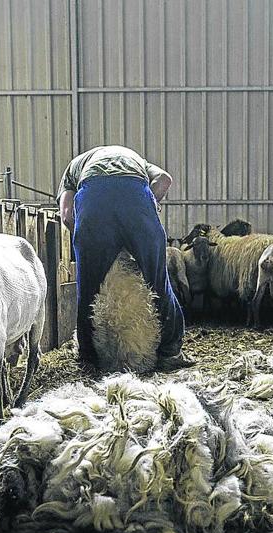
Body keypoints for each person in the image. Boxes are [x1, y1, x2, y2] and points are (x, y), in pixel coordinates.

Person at [57, 145, 195, 372]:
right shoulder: (136, 159)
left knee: (88, 287)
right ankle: (170, 352)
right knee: (158, 281)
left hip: (94, 197)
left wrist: (91, 242)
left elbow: (66, 215)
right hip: (136, 193)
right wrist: (147, 209)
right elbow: (164, 180)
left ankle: (87, 358)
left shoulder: (76, 166)